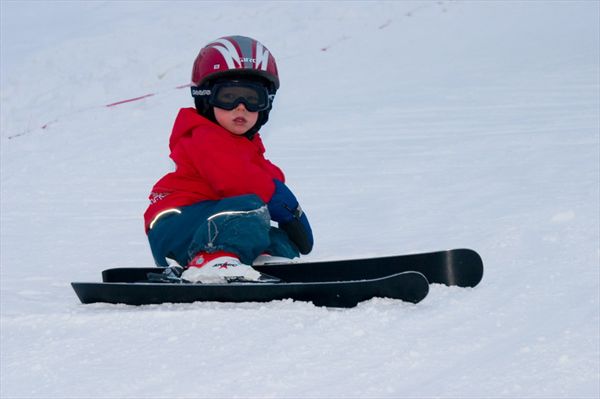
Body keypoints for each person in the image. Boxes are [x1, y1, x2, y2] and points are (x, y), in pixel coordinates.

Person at [143, 35, 313, 283]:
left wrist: (289, 208)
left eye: (252, 99)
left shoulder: (244, 148)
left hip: (208, 224)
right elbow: (240, 181)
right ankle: (212, 260)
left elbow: (265, 174)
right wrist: (275, 195)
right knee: (250, 205)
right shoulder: (203, 136)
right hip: (177, 222)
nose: (240, 107)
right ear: (206, 97)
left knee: (272, 235)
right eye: (229, 96)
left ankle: (255, 258)